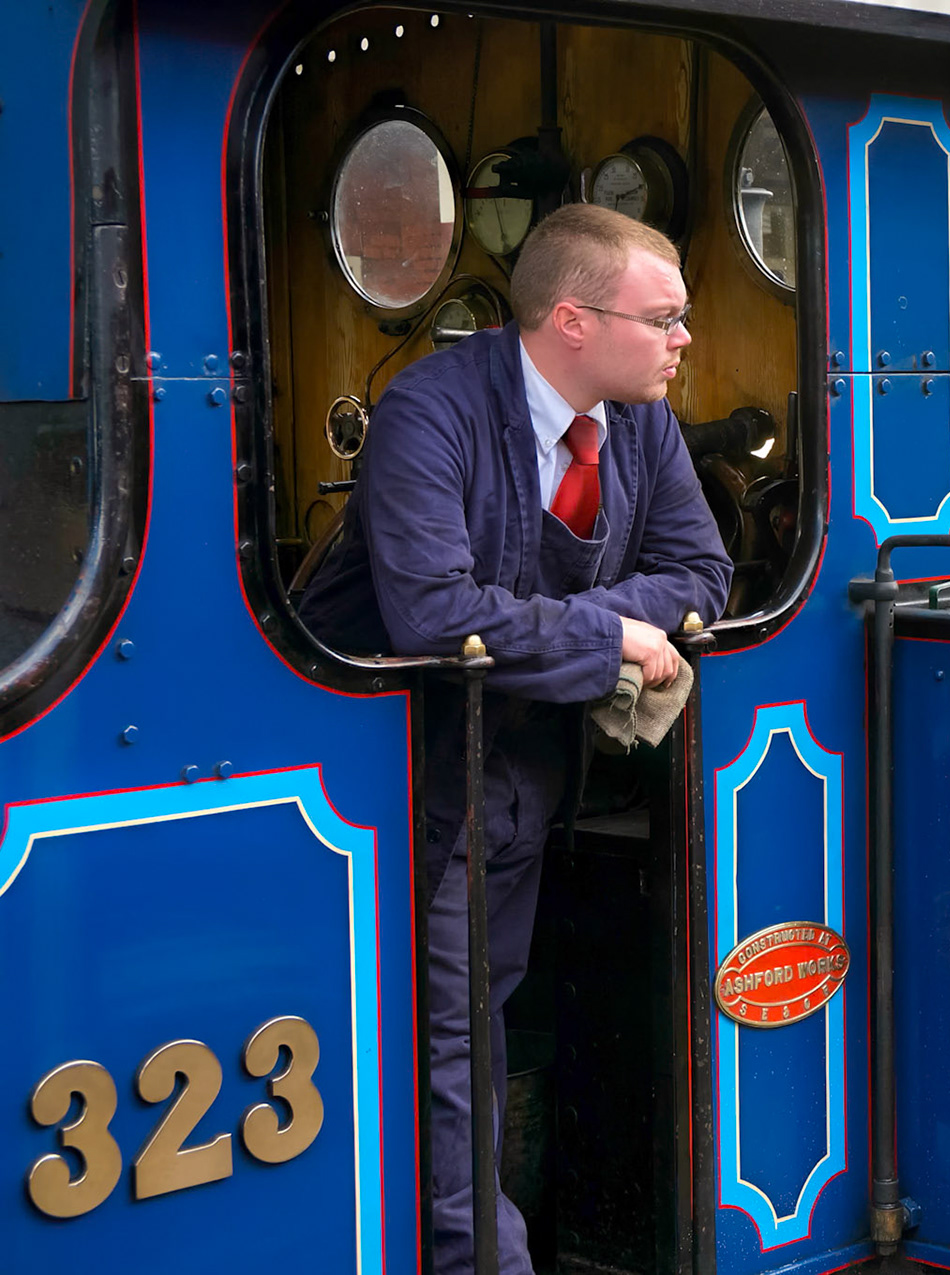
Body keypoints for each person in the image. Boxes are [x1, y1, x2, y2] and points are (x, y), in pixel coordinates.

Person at [299, 204, 731, 1275]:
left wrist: (565, 626)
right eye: (665, 319)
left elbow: (704, 575)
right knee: (448, 1047)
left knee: (479, 1023)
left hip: (525, 774)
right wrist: (615, 631)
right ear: (574, 322)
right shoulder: (428, 412)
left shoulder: (639, 419)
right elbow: (438, 616)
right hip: (389, 778)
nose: (686, 341)